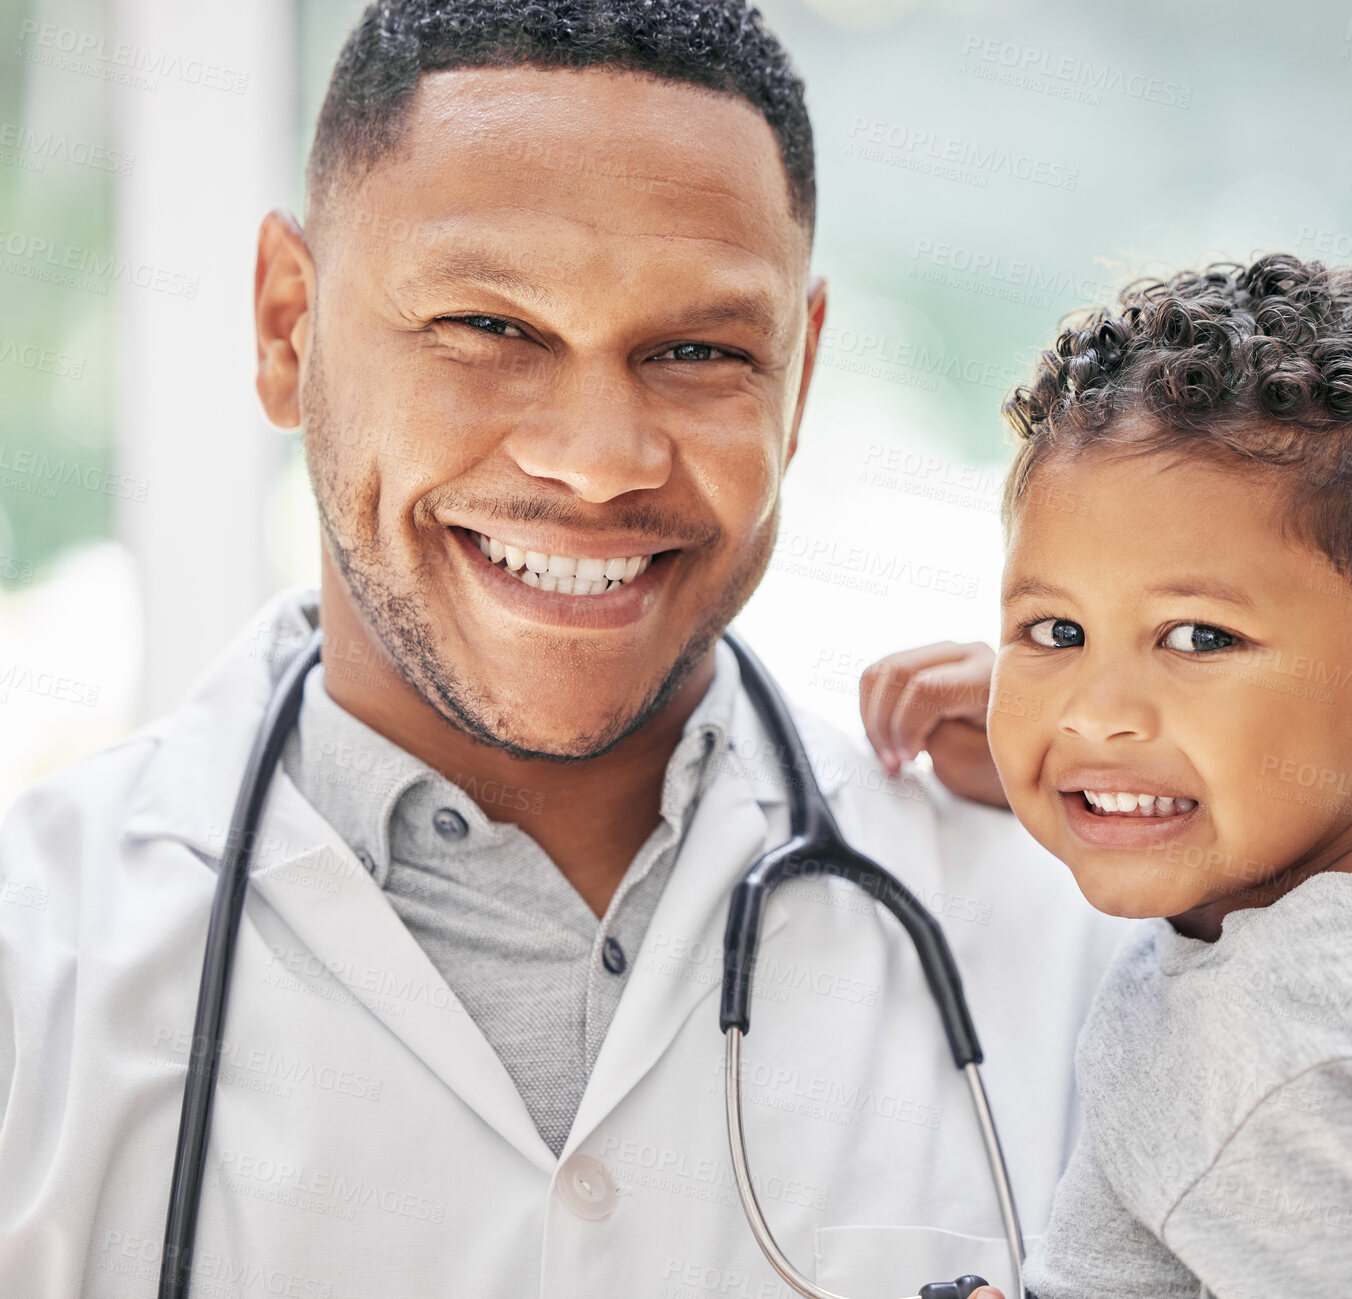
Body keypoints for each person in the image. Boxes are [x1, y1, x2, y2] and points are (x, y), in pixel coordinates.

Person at [0, 2, 1124, 1295]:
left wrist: (1246, 829)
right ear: (285, 324)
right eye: (488, 327)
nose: (597, 461)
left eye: (699, 350)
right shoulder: (35, 973)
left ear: (798, 379)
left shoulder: (1075, 937)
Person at [861, 254, 1352, 1296]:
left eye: (1198, 638)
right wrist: (1045, 755)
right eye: (1057, 630)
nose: (1094, 713)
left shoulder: (1296, 1057)